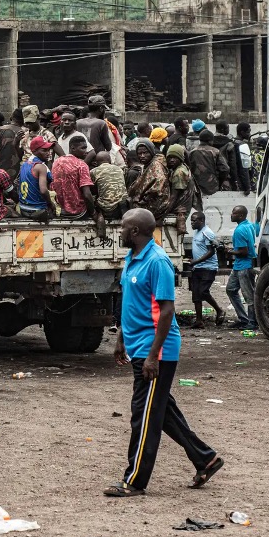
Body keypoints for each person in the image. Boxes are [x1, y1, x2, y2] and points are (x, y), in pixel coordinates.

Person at [105, 207, 222, 498]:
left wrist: (153, 355)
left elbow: (167, 310)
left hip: (154, 350)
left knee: (144, 416)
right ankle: (205, 458)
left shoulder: (158, 261)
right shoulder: (132, 258)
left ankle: (134, 481)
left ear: (135, 232)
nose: (119, 231)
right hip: (138, 347)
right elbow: (131, 303)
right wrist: (120, 339)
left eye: (123, 227)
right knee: (162, 411)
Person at [51, 135, 104, 237]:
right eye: (83, 148)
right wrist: (94, 214)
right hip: (77, 212)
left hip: (60, 211)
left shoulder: (56, 162)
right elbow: (87, 194)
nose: (86, 151)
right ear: (72, 148)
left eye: (86, 148)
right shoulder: (81, 165)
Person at [187, 211, 224, 328]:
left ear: (201, 221)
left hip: (208, 268)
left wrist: (196, 261)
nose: (192, 223)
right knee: (196, 294)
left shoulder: (207, 233)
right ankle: (199, 320)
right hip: (198, 268)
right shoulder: (197, 232)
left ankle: (219, 310)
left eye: (194, 220)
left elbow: (211, 251)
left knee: (203, 291)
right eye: (191, 220)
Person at [225, 205, 259, 331]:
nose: (231, 215)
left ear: (240, 216)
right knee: (231, 289)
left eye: (234, 213)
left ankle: (252, 322)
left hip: (244, 266)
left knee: (249, 296)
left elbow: (244, 251)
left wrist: (230, 251)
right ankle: (243, 319)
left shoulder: (239, 230)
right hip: (241, 265)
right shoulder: (248, 225)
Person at [126, 138, 171, 221]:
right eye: (139, 153)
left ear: (151, 151)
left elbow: (156, 189)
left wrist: (140, 201)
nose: (142, 156)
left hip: (156, 205)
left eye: (145, 153)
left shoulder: (156, 166)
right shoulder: (147, 165)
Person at [16, 137, 54, 220]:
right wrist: (51, 204)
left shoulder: (24, 164)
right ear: (34, 151)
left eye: (49, 150)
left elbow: (17, 183)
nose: (48, 153)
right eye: (44, 150)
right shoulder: (41, 167)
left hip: (23, 209)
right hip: (37, 211)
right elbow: (43, 191)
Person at [164, 144, 195, 234]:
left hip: (179, 210)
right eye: (170, 157)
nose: (172, 160)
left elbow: (174, 196)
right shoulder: (181, 167)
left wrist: (163, 215)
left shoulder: (179, 172)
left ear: (180, 158)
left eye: (175, 157)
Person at [188, 129, 228, 197]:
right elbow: (225, 169)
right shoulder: (215, 152)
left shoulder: (192, 152)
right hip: (212, 187)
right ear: (210, 141)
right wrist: (219, 182)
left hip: (195, 188)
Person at [90, 150, 128, 219]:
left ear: (96, 162)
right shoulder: (119, 169)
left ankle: (100, 218)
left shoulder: (94, 171)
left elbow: (92, 190)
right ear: (110, 160)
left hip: (107, 209)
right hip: (122, 208)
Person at [212, 122, 247, 193]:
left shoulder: (209, 141)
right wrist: (235, 180)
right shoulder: (229, 144)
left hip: (211, 177)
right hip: (226, 178)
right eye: (228, 128)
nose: (228, 130)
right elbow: (232, 164)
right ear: (223, 129)